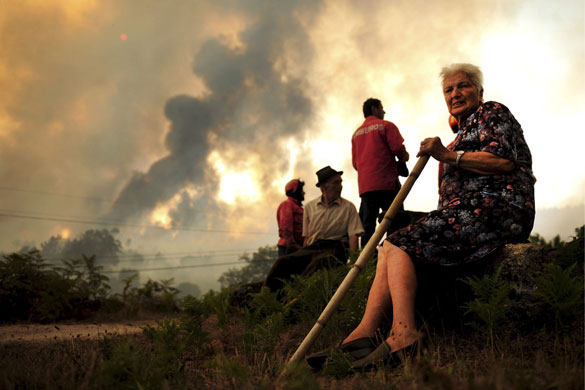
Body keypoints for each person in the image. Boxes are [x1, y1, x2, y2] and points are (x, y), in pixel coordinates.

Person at [306, 63, 536, 371]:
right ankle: (364, 334)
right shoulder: (462, 132)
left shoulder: (492, 113)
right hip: (465, 213)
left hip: (497, 210)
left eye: (463, 86)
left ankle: (404, 333)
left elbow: (504, 162)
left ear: (480, 92)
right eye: (449, 89)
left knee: (401, 242)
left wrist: (446, 156)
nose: (456, 93)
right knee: (389, 246)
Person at [264, 166, 364, 292]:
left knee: (318, 264)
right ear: (324, 187)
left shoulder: (348, 207)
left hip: (336, 247)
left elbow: (353, 236)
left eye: (341, 182)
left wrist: (353, 264)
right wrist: (302, 252)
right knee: (282, 262)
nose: (340, 186)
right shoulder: (310, 208)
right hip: (313, 247)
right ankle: (265, 298)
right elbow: (306, 238)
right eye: (336, 183)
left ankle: (294, 296)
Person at [352, 98, 409, 248]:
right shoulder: (386, 126)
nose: (384, 111)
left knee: (367, 226)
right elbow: (398, 149)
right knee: (395, 221)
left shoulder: (356, 135)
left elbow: (355, 164)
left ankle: (366, 260)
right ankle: (393, 252)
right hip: (387, 184)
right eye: (381, 108)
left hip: (366, 188)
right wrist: (404, 157)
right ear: (374, 108)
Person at [277, 179, 305, 257]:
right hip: (289, 248)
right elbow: (286, 229)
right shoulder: (287, 205)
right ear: (296, 191)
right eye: (302, 190)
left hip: (298, 247)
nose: (304, 193)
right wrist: (294, 246)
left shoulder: (298, 207)